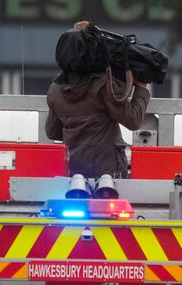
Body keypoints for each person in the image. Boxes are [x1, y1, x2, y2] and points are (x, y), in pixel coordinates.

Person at [46, 21, 150, 179]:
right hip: (109, 171)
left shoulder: (55, 89)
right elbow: (133, 120)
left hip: (74, 170)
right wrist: (141, 88)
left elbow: (52, 131)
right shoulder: (104, 86)